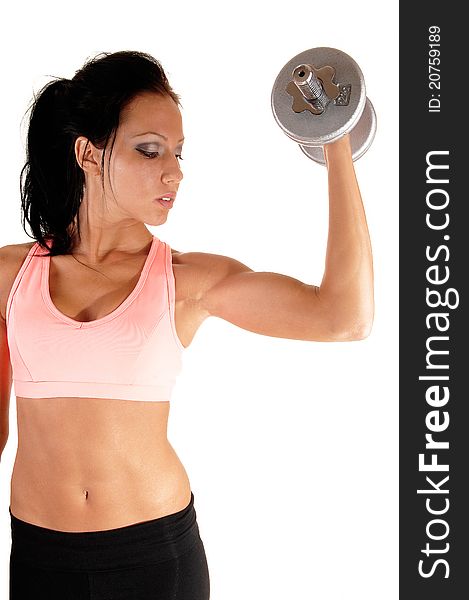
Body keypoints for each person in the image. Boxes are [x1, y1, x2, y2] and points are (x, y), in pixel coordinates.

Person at [0, 50, 374, 599]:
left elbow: (344, 318)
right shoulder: (11, 275)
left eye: (178, 153)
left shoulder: (187, 280)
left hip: (151, 559)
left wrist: (335, 141)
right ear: (87, 152)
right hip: (38, 556)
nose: (174, 172)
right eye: (149, 150)